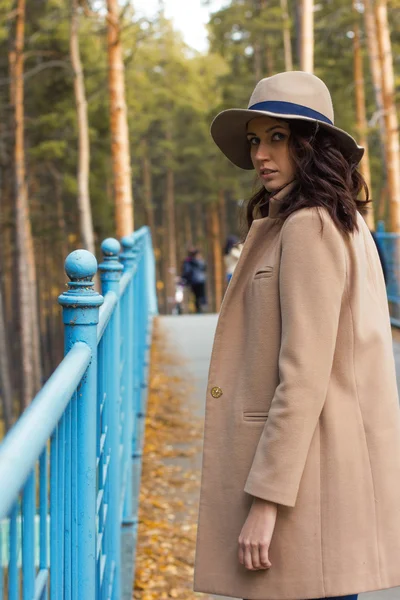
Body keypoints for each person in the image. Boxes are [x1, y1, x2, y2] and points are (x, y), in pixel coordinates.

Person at [194, 71, 400, 600]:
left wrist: (264, 505)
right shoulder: (343, 222)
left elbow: (303, 375)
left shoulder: (309, 227)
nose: (262, 154)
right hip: (323, 474)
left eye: (278, 138)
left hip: (301, 489)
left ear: (311, 145)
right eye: (256, 140)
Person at [181, 248, 207, 313]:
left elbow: (186, 271)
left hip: (194, 281)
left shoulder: (188, 261)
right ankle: (202, 306)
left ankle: (198, 309)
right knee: (201, 294)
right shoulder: (200, 261)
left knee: (196, 295)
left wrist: (184, 278)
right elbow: (204, 267)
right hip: (201, 280)